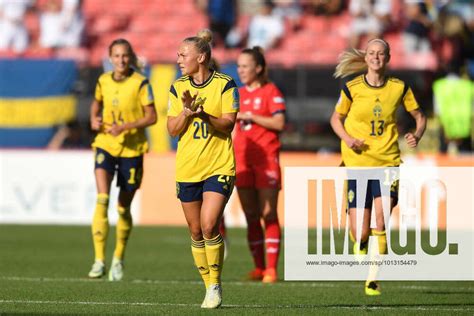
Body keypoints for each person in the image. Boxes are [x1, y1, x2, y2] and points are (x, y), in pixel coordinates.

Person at [330, 38, 426, 295]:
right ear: (366, 58)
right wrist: (349, 140)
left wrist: (417, 135)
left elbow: (419, 116)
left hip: (387, 162)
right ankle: (360, 241)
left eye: (381, 54)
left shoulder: (399, 87)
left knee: (381, 220)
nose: (376, 58)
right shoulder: (352, 88)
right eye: (371, 53)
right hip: (358, 163)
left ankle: (373, 279)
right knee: (360, 231)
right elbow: (336, 119)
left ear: (388, 57)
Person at [167, 29, 239, 309]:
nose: (178, 60)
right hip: (188, 167)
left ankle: (215, 285)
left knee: (210, 225)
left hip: (219, 164)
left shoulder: (225, 84)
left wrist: (204, 115)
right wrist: (186, 112)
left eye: (183, 55)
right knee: (195, 231)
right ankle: (207, 284)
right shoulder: (177, 87)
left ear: (201, 57)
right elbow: (172, 130)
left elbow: (228, 124)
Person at [87, 38, 157, 281]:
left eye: (125, 56)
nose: (121, 60)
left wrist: (127, 126)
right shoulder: (102, 81)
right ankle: (99, 260)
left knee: (122, 207)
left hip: (132, 149)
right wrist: (94, 120)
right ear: (110, 58)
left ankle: (118, 257)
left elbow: (152, 117)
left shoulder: (140, 83)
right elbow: (95, 106)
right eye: (116, 56)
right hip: (105, 144)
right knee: (102, 198)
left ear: (131, 57)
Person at [234, 46, 286, 283]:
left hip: (266, 158)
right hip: (242, 159)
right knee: (251, 214)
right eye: (239, 66)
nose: (241, 70)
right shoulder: (237, 94)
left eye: (245, 66)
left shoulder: (270, 91)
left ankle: (272, 270)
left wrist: (252, 117)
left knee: (269, 213)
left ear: (258, 68)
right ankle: (259, 267)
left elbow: (279, 122)